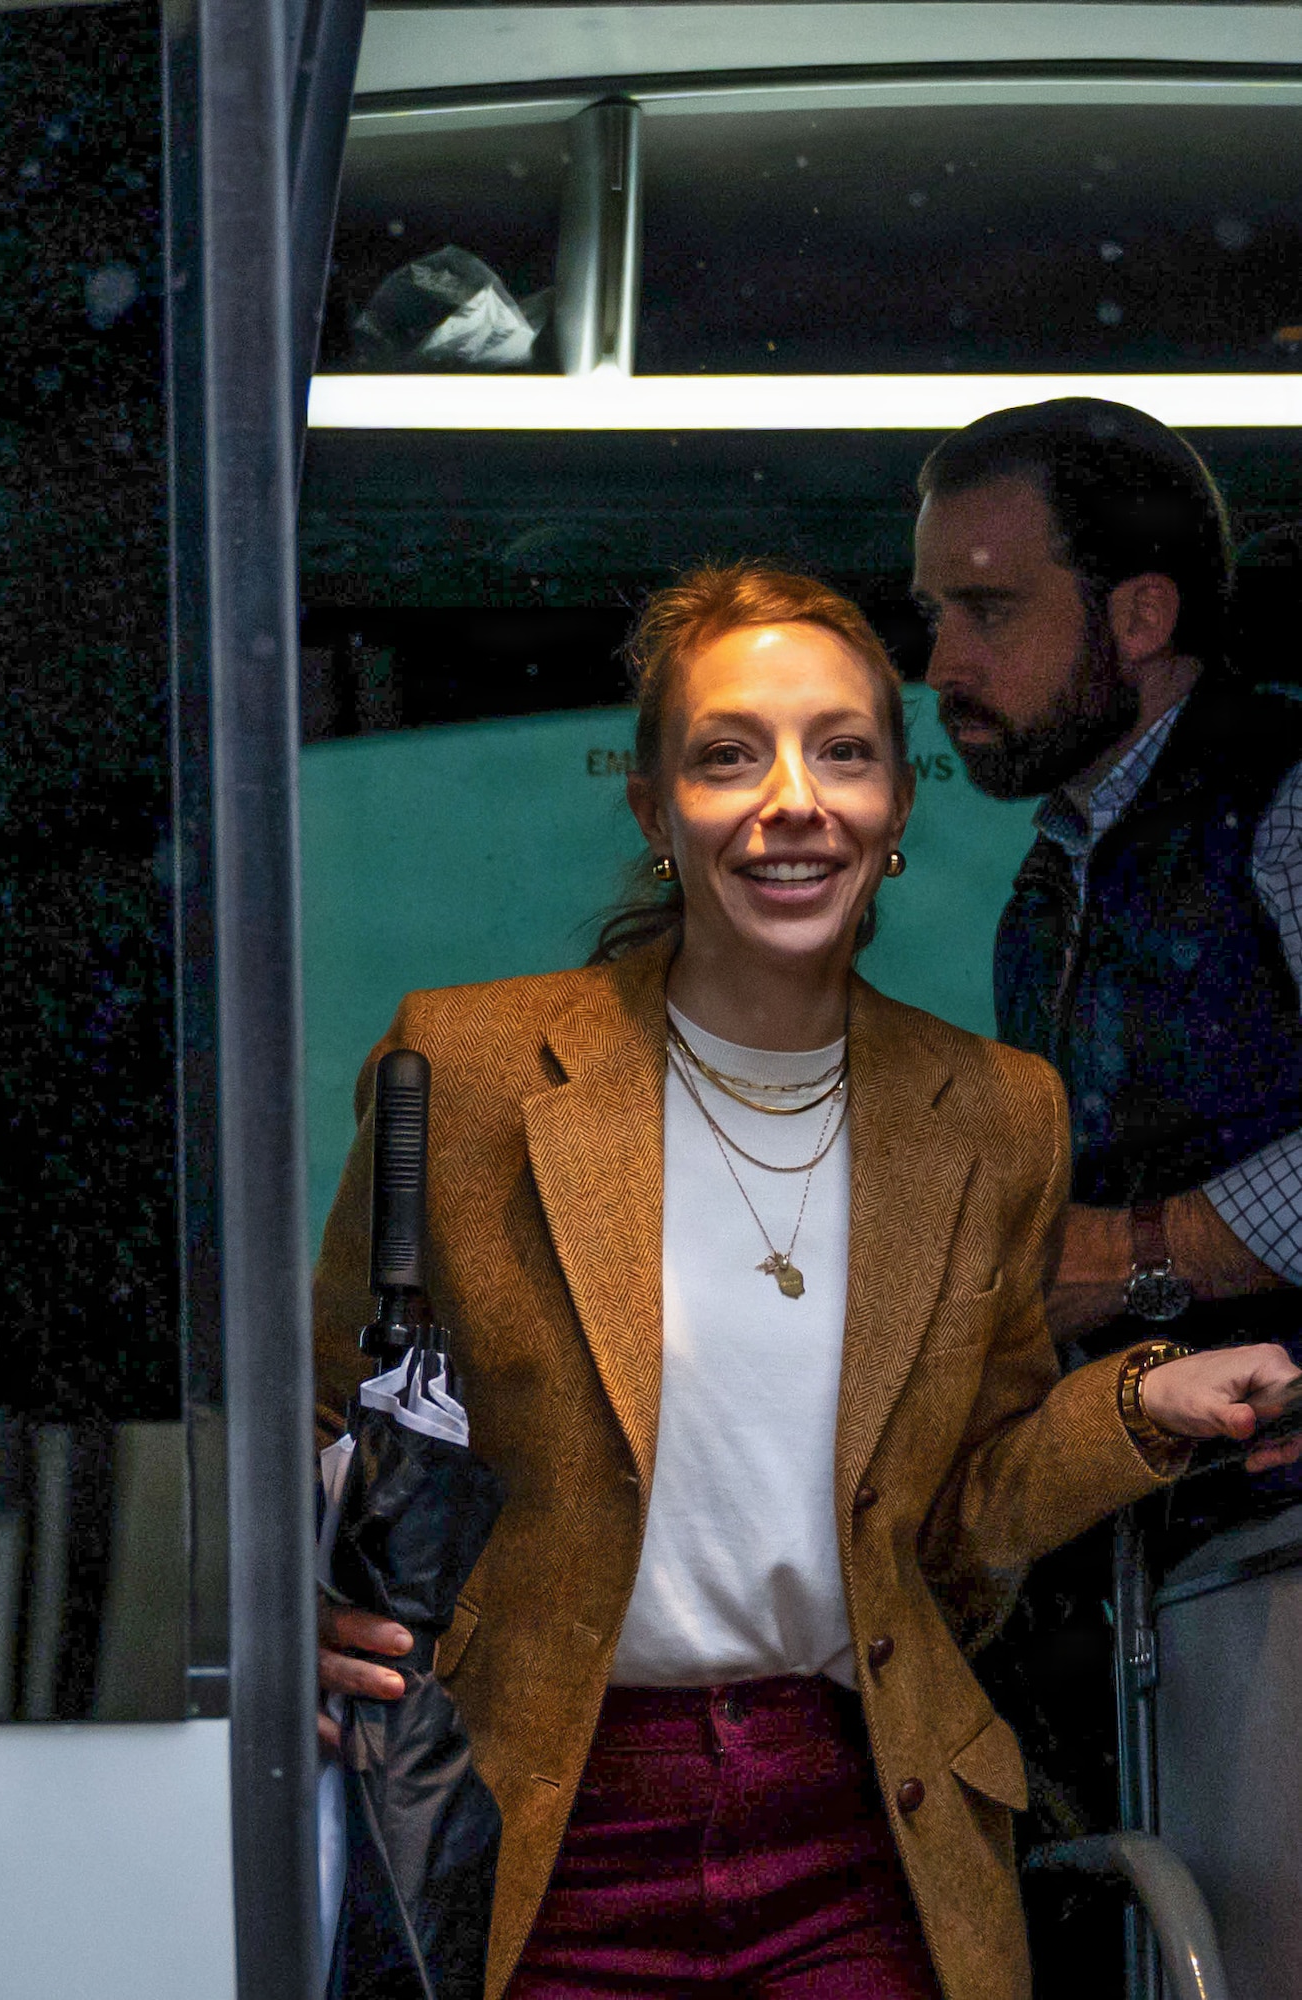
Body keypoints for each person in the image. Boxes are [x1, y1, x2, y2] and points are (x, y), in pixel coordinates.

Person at [313, 563, 1298, 2000]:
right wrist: (297, 1622)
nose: (794, 801)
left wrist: (1146, 1405)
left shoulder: (995, 1113)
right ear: (653, 809)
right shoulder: (466, 1070)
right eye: (730, 756)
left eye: (842, 752)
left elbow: (957, 1538)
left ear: (895, 808)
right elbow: (313, 1416)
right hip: (534, 1819)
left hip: (862, 1822)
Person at [911, 399, 1302, 1988]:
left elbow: (1112, 1251)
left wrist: (1132, 1257)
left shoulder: (1286, 800)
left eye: (987, 609)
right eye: (933, 613)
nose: (941, 662)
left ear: (1138, 617)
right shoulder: (1055, 874)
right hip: (1175, 1562)